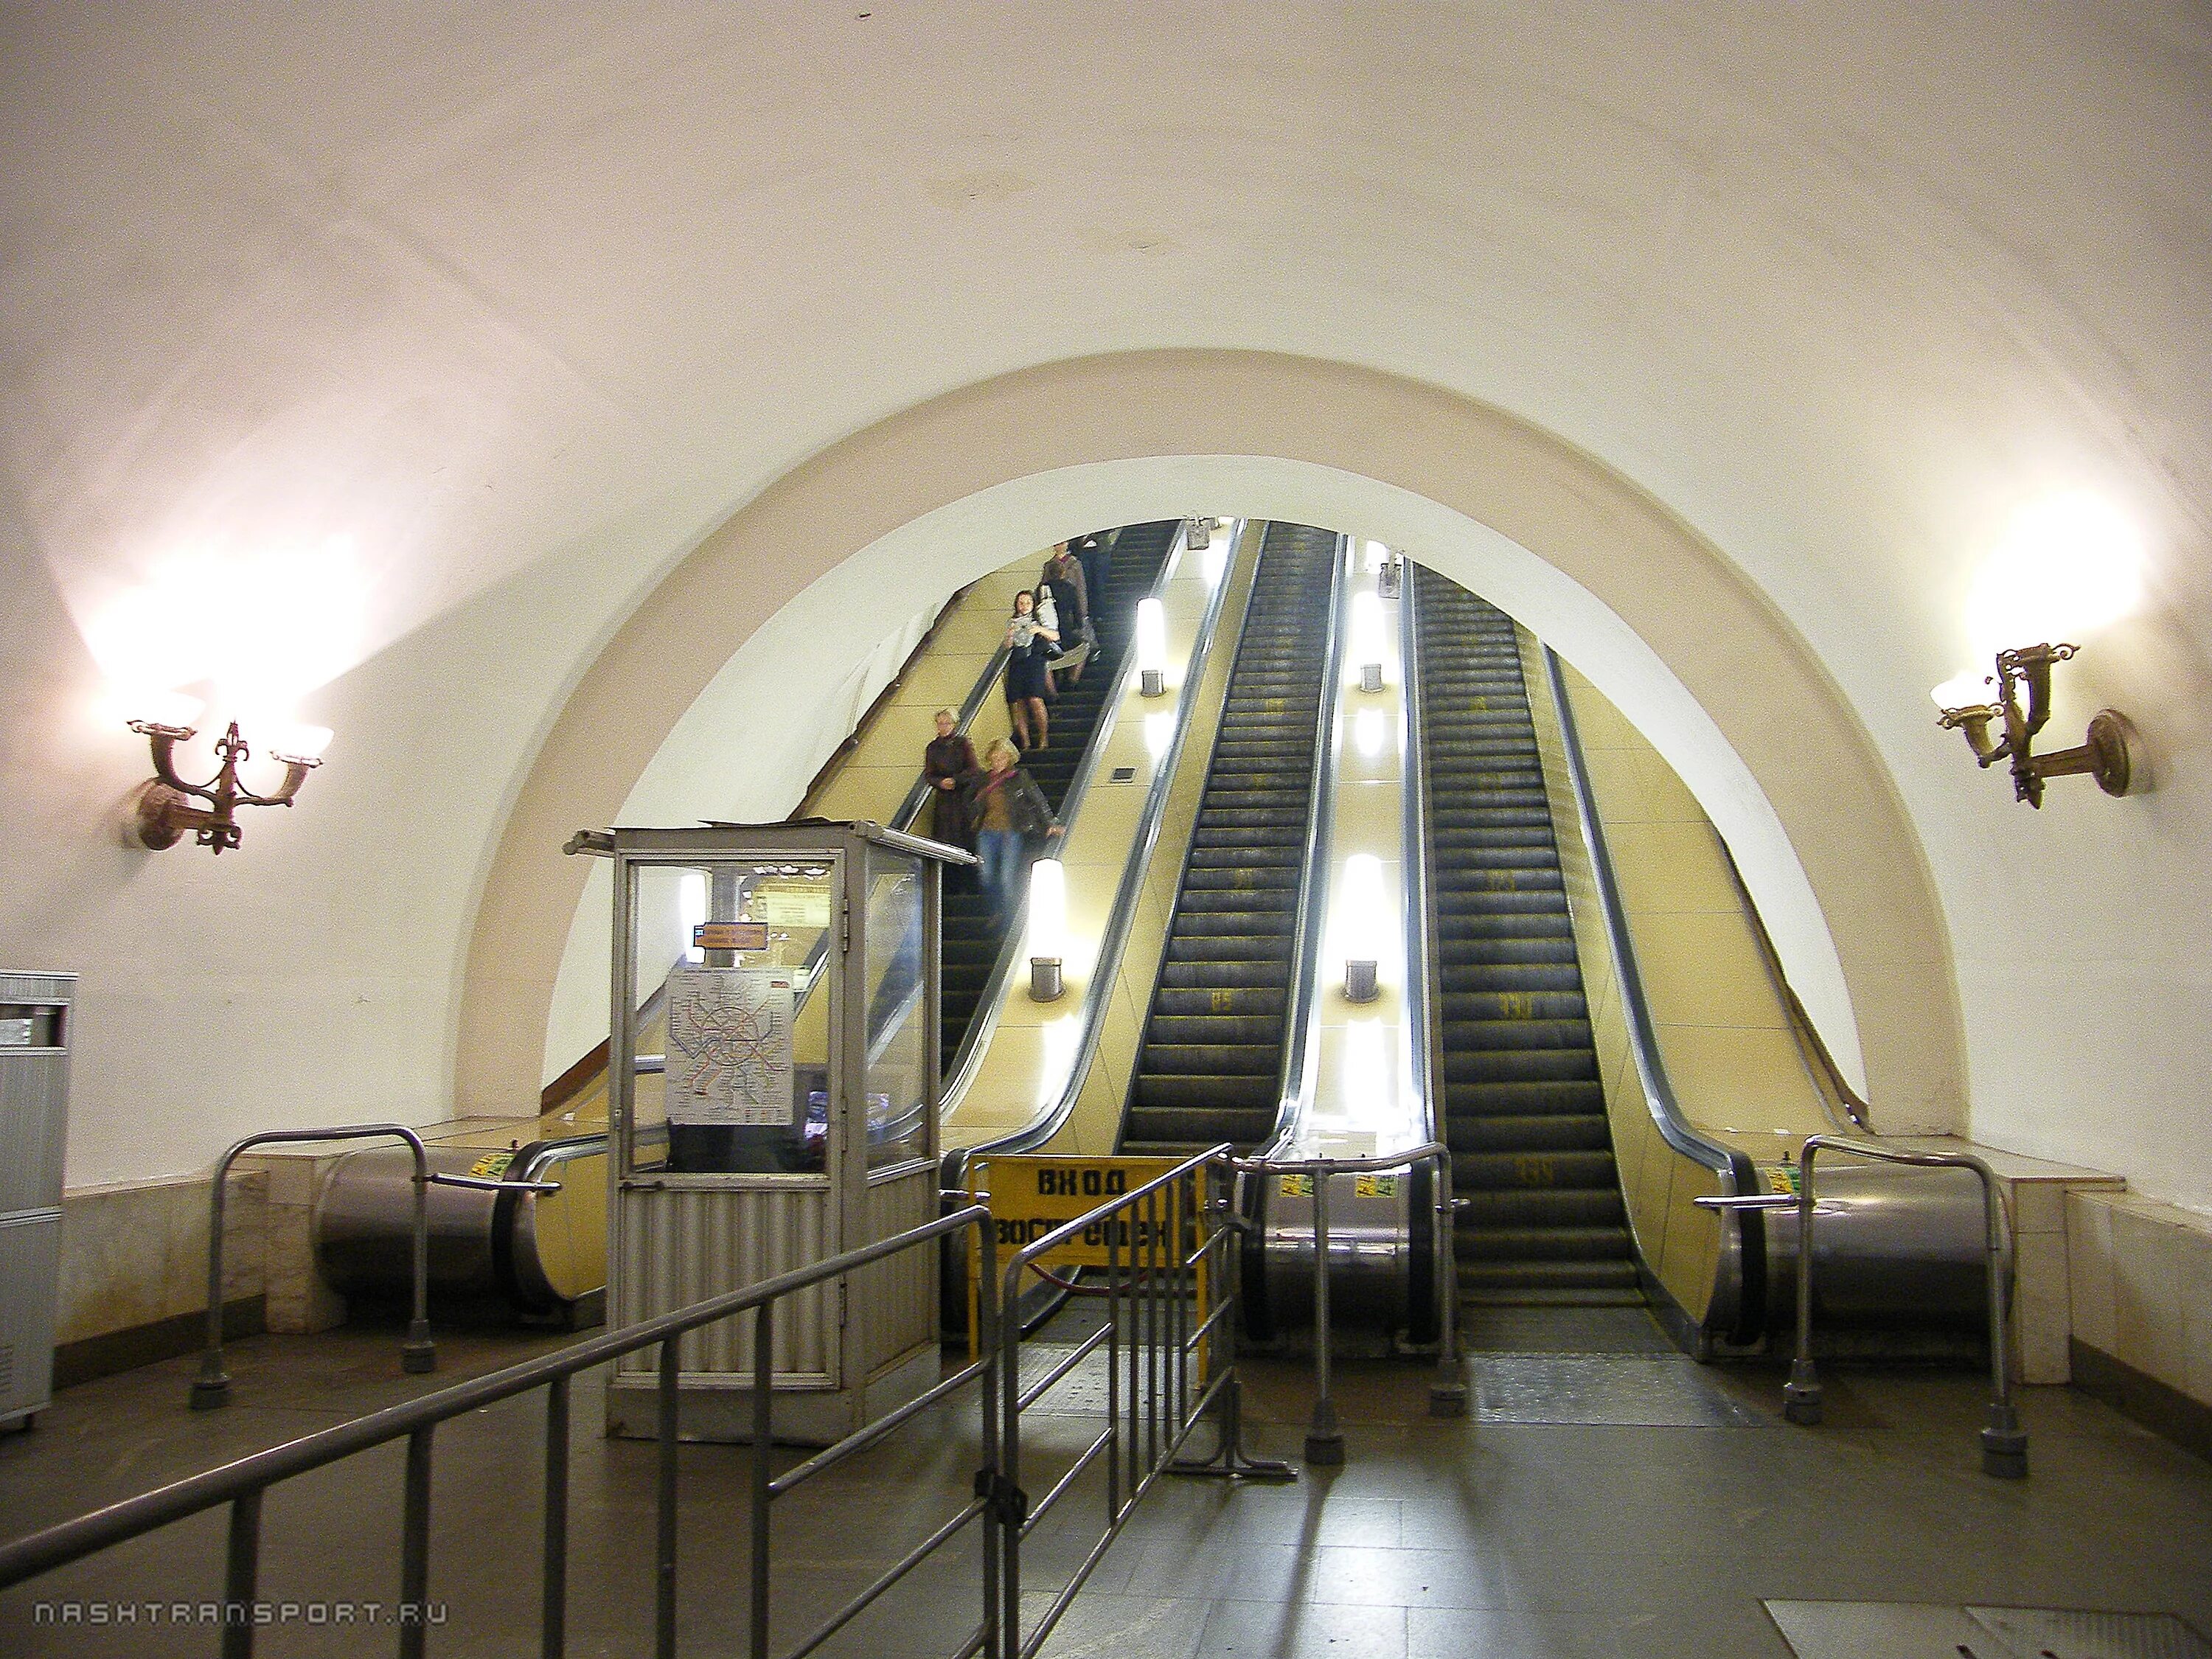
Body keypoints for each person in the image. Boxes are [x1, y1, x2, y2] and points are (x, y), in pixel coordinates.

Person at [967, 738, 1062, 921]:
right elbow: (971, 801)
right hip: (986, 831)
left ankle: (1008, 918)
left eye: (1002, 759)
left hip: (1011, 831)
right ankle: (996, 910)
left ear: (1009, 758)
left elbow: (1037, 800)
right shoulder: (983, 780)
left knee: (1006, 876)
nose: (998, 763)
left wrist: (1050, 822)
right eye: (995, 759)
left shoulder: (1019, 777)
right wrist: (974, 818)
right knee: (986, 875)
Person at [1002, 589, 1057, 749]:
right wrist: (1010, 635)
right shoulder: (1012, 621)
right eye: (1021, 603)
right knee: (1019, 702)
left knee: (1035, 698)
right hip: (1018, 661)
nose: (1024, 606)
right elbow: (1007, 646)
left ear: (1033, 604)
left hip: (1035, 660)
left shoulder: (1038, 619)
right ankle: (1025, 741)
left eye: (1027, 602)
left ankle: (1043, 737)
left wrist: (1039, 629)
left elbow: (1055, 636)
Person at [922, 708, 978, 860]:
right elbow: (929, 775)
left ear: (954, 725)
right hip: (944, 800)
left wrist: (956, 780)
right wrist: (940, 782)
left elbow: (974, 769)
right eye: (940, 724)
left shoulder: (963, 744)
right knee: (945, 837)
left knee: (964, 836)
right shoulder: (933, 748)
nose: (943, 727)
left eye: (947, 723)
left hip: (963, 796)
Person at [1039, 543, 1091, 685]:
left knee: (1055, 650)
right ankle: (1072, 680)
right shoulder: (1070, 587)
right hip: (1068, 622)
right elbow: (1081, 591)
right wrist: (1081, 619)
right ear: (1062, 573)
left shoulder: (1044, 587)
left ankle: (1058, 680)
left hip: (1049, 625)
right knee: (1081, 648)